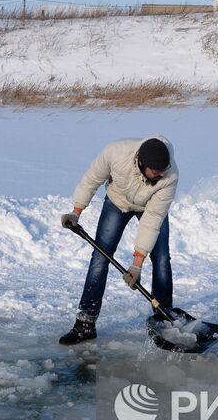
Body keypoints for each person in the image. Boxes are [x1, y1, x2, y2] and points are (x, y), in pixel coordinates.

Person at [58, 137, 178, 345]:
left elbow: (152, 221)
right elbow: (91, 179)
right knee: (100, 257)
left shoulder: (168, 175)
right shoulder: (116, 153)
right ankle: (85, 324)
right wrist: (76, 212)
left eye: (163, 169)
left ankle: (163, 318)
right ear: (142, 163)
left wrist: (137, 264)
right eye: (156, 170)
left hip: (150, 208)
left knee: (161, 259)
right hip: (117, 201)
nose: (161, 174)